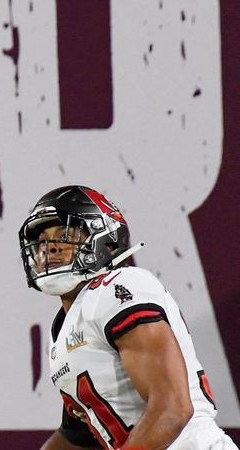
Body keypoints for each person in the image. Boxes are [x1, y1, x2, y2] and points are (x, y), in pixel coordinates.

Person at [20, 186, 237, 450]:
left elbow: (173, 409)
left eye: (66, 234)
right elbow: (77, 436)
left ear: (107, 240)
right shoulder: (65, 331)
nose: (50, 247)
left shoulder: (119, 287)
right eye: (42, 239)